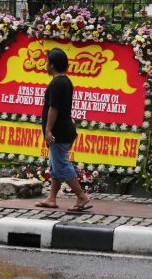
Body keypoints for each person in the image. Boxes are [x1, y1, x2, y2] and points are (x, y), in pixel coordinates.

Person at [35, 47, 91, 211]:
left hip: (59, 132)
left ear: (52, 65)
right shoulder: (65, 81)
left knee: (61, 165)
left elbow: (54, 108)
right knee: (55, 165)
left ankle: (81, 196)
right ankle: (51, 198)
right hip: (64, 130)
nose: (46, 65)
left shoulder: (57, 83)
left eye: (47, 62)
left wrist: (48, 130)